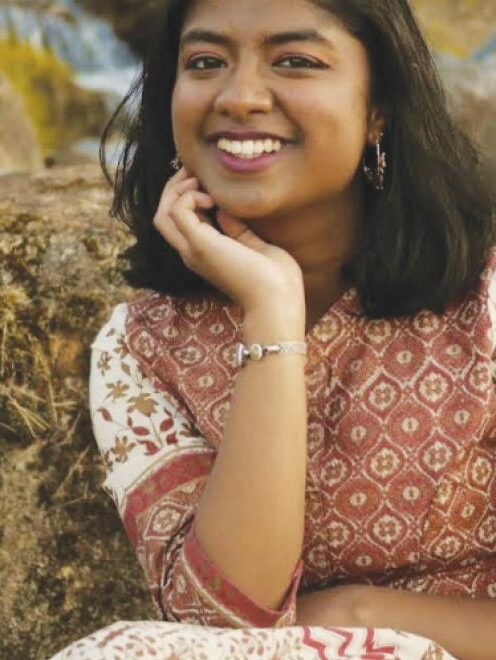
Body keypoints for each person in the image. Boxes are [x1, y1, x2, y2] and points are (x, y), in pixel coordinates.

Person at [51, 0, 496, 658]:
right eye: (205, 63)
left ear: (380, 106)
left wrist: (357, 610)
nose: (240, 97)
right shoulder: (141, 348)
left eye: (295, 61)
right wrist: (272, 312)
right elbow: (221, 629)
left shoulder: (483, 297)